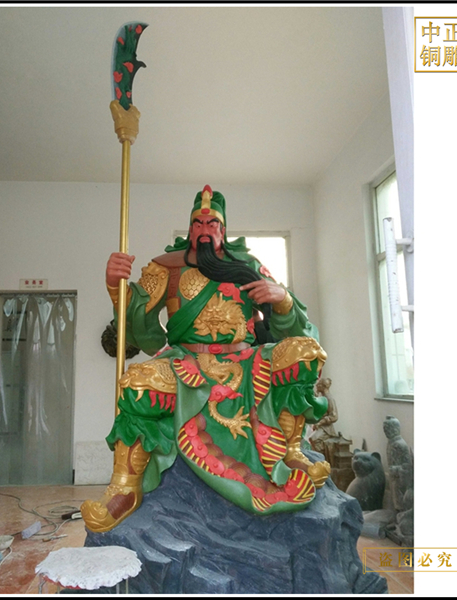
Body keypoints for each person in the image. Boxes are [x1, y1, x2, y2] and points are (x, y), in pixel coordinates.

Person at [81, 186, 330, 533]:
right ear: (189, 229)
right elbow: (137, 325)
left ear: (223, 230)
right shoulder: (165, 268)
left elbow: (296, 328)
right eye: (197, 223)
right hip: (187, 362)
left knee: (305, 352)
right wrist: (115, 286)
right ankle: (125, 486)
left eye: (212, 223)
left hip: (247, 362)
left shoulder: (248, 267)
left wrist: (282, 298)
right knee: (137, 381)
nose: (204, 229)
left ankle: (291, 451)